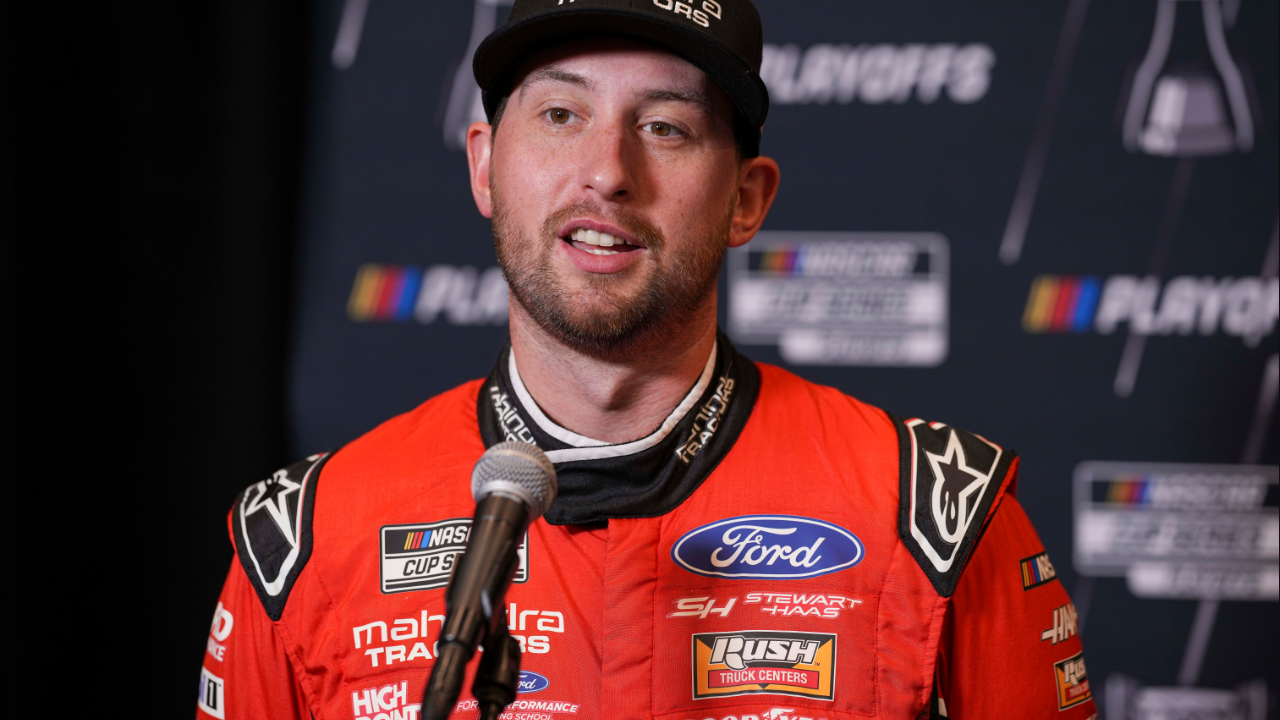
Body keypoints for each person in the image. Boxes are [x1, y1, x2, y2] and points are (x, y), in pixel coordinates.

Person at [197, 1, 1097, 719]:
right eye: (560, 114)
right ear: (484, 167)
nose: (607, 171)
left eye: (665, 127)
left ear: (746, 200)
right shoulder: (307, 540)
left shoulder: (935, 519)